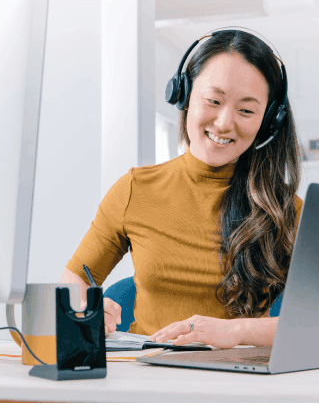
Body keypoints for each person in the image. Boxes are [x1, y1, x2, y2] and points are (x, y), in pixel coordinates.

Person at [61, 29, 303, 349]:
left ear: (268, 120)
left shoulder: (286, 209)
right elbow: (76, 278)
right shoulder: (135, 189)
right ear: (184, 95)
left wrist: (238, 332)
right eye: (213, 101)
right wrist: (85, 311)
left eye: (246, 110)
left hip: (240, 379)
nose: (224, 123)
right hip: (146, 376)